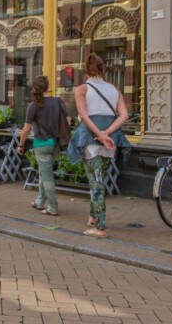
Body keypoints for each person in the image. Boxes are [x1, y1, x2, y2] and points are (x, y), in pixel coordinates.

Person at [67, 54, 131, 238]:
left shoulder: (82, 89)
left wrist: (99, 135)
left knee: (96, 184)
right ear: (103, 68)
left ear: (86, 69)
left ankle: (101, 227)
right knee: (99, 181)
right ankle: (93, 218)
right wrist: (107, 133)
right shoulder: (114, 89)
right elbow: (124, 115)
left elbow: (84, 116)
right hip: (110, 143)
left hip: (91, 141)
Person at [17, 76, 70, 216]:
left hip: (42, 144)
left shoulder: (33, 106)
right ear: (47, 87)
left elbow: (26, 129)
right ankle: (40, 201)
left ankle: (53, 207)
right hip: (57, 144)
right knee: (43, 171)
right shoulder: (58, 102)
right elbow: (68, 121)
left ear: (34, 88)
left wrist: (20, 145)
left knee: (47, 176)